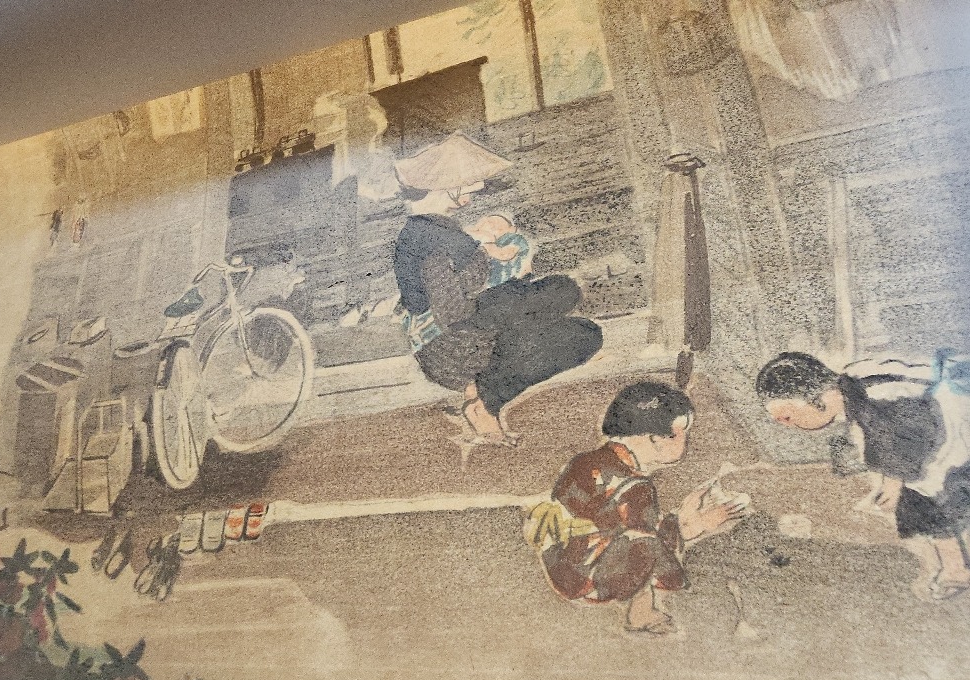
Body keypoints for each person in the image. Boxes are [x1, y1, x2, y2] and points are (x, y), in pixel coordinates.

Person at [393, 132, 602, 445]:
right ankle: (484, 401)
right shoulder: (432, 239)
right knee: (583, 335)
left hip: (464, 328)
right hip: (451, 347)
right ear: (447, 186)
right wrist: (508, 289)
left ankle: (482, 387)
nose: (475, 191)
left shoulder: (430, 228)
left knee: (564, 289)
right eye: (468, 184)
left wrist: (509, 282)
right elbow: (453, 312)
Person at [526, 381, 750, 633]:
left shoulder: (587, 461)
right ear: (656, 438)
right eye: (681, 432)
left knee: (642, 537)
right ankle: (641, 613)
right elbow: (650, 542)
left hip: (560, 562)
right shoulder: (635, 487)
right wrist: (695, 524)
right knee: (646, 545)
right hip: (587, 578)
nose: (686, 440)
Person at [756, 351, 970, 600]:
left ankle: (956, 568)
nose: (790, 426)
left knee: (934, 496)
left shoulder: (878, 395)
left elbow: (906, 436)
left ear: (816, 397)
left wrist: (893, 483)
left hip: (954, 428)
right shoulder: (853, 389)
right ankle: (956, 567)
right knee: (918, 500)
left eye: (788, 417)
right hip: (938, 439)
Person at [465, 212, 535, 288]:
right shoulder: (477, 244)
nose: (493, 226)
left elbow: (505, 254)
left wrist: (489, 242)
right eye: (489, 222)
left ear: (512, 229)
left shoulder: (513, 238)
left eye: (499, 226)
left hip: (509, 284)